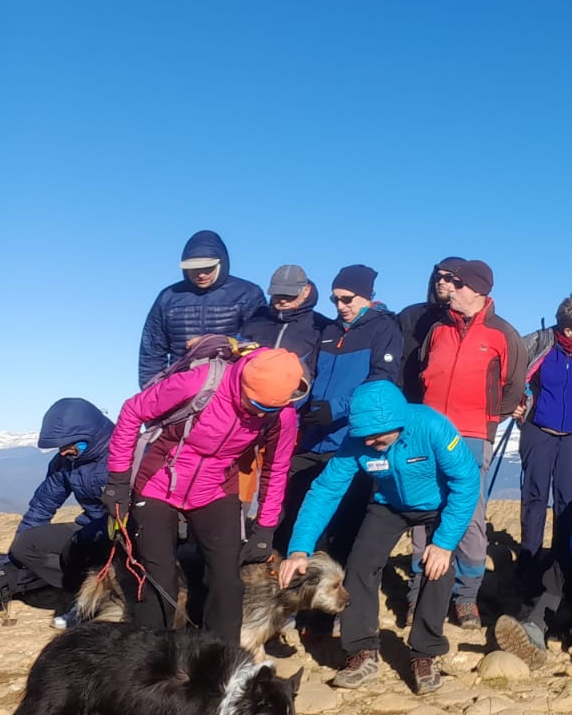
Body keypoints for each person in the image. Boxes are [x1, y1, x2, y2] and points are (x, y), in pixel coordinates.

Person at [280, 380, 480, 696]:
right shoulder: (358, 440)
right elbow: (326, 490)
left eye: (378, 435)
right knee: (360, 565)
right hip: (389, 504)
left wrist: (443, 543)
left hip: (436, 505)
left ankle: (425, 653)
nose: (371, 441)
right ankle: (361, 650)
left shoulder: (433, 428)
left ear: (398, 421)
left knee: (437, 570)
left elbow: (467, 480)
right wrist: (299, 548)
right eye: (365, 436)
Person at [104, 348, 304, 647]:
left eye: (270, 408)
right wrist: (118, 479)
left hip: (216, 488)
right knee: (161, 577)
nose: (261, 414)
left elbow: (277, 468)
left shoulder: (282, 415)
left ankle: (220, 662)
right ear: (243, 384)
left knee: (227, 582)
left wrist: (265, 528)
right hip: (159, 483)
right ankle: (148, 655)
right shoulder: (200, 382)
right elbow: (133, 410)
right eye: (255, 404)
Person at [412, 258, 525, 628]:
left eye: (458, 284)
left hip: (473, 435)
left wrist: (489, 420)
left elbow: (513, 388)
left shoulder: (503, 335)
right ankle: (420, 590)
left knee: (471, 517)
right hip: (428, 433)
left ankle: (465, 596)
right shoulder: (438, 329)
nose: (449, 289)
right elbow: (423, 372)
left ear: (479, 291)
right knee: (421, 511)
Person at [276, 265, 402, 564]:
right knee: (295, 516)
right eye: (335, 300)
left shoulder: (385, 329)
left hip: (351, 443)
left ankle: (331, 601)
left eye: (348, 299)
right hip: (312, 439)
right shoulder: (329, 331)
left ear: (367, 296)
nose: (341, 306)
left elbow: (380, 383)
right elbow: (313, 374)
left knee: (339, 531)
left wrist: (337, 408)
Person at [503, 293, 572, 653]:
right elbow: (515, 375)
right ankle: (528, 563)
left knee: (568, 500)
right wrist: (515, 404)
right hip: (538, 429)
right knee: (534, 496)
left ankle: (561, 563)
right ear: (567, 328)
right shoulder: (540, 343)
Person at [0, 399, 113, 626]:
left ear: (90, 434)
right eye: (60, 445)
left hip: (123, 528)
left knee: (84, 549)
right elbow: (43, 504)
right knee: (25, 546)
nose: (64, 450)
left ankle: (97, 600)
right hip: (87, 526)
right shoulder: (66, 461)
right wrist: (13, 562)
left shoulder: (126, 452)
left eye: (69, 444)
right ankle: (84, 590)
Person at [137, 230, 266, 386]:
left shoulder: (248, 294)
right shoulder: (168, 297)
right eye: (195, 269)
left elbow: (258, 345)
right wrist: (152, 391)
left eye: (207, 268)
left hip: (229, 385)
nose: (201, 274)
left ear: (221, 263)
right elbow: (152, 350)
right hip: (180, 385)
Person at [396, 256, 466, 399]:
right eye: (438, 277)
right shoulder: (410, 315)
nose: (440, 282)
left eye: (448, 277)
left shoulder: (471, 324)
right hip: (403, 401)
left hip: (444, 407)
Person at [241, 265, 328, 377]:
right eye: (278, 294)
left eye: (290, 295)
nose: (282, 300)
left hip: (296, 392)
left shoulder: (321, 327)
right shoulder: (256, 319)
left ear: (306, 291)